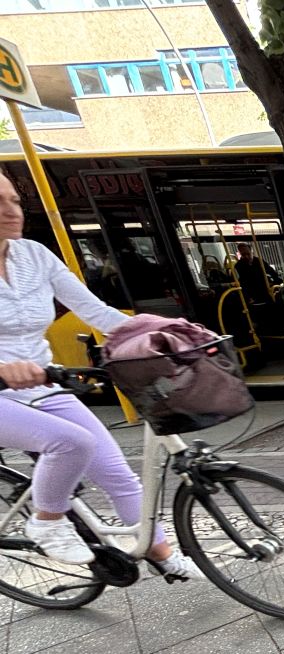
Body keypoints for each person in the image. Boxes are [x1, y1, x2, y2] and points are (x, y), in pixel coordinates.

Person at [0, 173, 199, 576]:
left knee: (118, 474)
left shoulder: (33, 255)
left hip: (43, 385)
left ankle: (163, 557)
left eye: (15, 200)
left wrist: (164, 330)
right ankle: (46, 522)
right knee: (72, 442)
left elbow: (95, 311)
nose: (11, 212)